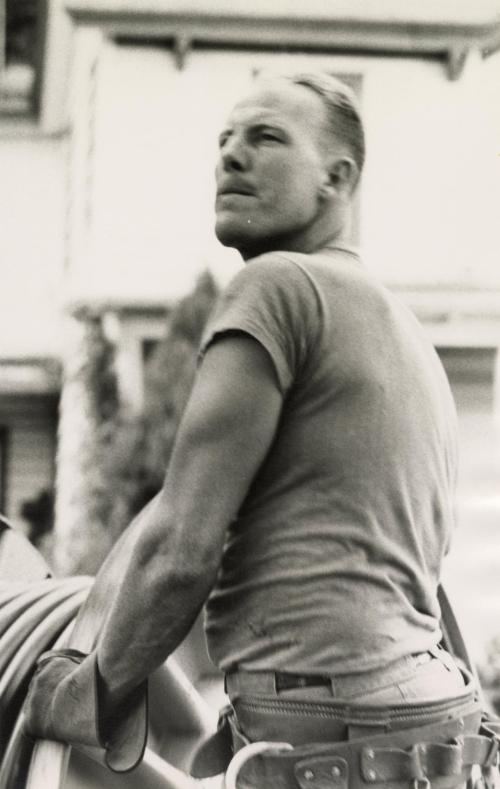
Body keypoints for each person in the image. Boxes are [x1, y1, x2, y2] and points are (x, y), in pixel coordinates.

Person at [24, 73, 484, 787]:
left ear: (338, 178)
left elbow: (182, 548)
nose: (232, 156)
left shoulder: (276, 288)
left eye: (266, 138)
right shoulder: (405, 333)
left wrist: (88, 691)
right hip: (439, 730)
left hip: (333, 732)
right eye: (225, 140)